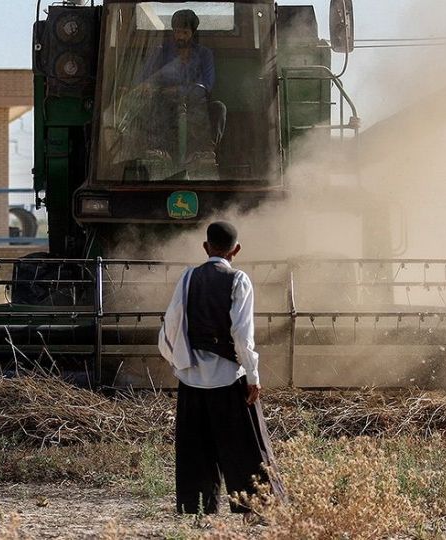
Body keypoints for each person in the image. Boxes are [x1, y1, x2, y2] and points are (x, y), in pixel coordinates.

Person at [158, 221, 285, 515]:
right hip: (229, 379)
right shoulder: (238, 280)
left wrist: (180, 364)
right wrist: (253, 376)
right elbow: (242, 336)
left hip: (191, 382)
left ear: (206, 247)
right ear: (236, 250)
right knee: (247, 449)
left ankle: (198, 511)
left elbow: (170, 325)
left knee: (196, 451)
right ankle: (255, 510)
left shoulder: (188, 277)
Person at [134, 9, 227, 160]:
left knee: (219, 108)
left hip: (196, 106)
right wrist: (145, 86)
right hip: (165, 104)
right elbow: (143, 79)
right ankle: (158, 151)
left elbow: (207, 85)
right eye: (177, 32)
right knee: (152, 108)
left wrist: (180, 90)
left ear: (193, 32)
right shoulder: (161, 52)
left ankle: (204, 153)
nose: (180, 37)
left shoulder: (204, 54)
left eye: (184, 32)